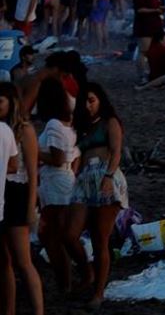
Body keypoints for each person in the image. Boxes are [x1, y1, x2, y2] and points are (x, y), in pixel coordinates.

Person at [67, 83, 128, 309]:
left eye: (91, 100)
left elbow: (116, 151)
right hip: (84, 180)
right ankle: (87, 272)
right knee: (70, 234)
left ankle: (99, 292)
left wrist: (109, 177)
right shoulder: (83, 127)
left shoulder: (110, 122)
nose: (88, 105)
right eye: (84, 101)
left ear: (100, 100)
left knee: (99, 239)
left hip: (105, 176)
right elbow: (78, 157)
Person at [0, 83, 42, 315]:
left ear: (11, 102)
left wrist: (31, 206)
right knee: (4, 261)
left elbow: (33, 173)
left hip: (18, 193)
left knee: (23, 261)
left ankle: (38, 310)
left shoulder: (24, 129)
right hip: (2, 192)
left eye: (0, 102)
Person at [36, 78, 80, 292]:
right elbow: (73, 156)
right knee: (56, 235)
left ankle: (66, 283)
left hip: (55, 182)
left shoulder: (53, 124)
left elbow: (58, 157)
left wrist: (33, 152)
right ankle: (70, 281)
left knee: (51, 236)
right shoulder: (69, 121)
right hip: (64, 179)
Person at [132, 0, 165, 83]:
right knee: (143, 51)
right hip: (145, 25)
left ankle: (154, 72)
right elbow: (140, 10)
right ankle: (142, 75)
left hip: (155, 25)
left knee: (157, 50)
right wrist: (155, 10)